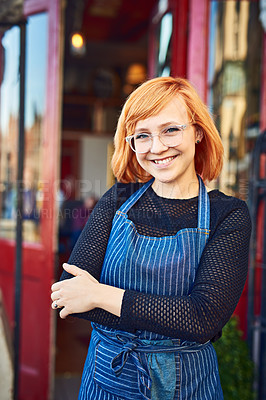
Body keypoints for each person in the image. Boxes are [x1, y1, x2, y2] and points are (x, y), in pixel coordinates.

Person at [51, 77, 251, 400]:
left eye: (170, 130)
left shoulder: (228, 215)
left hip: (187, 386)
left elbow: (202, 317)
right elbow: (68, 295)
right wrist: (170, 315)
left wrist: (99, 295)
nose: (156, 147)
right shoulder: (117, 201)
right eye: (142, 135)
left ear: (198, 131)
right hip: (105, 379)